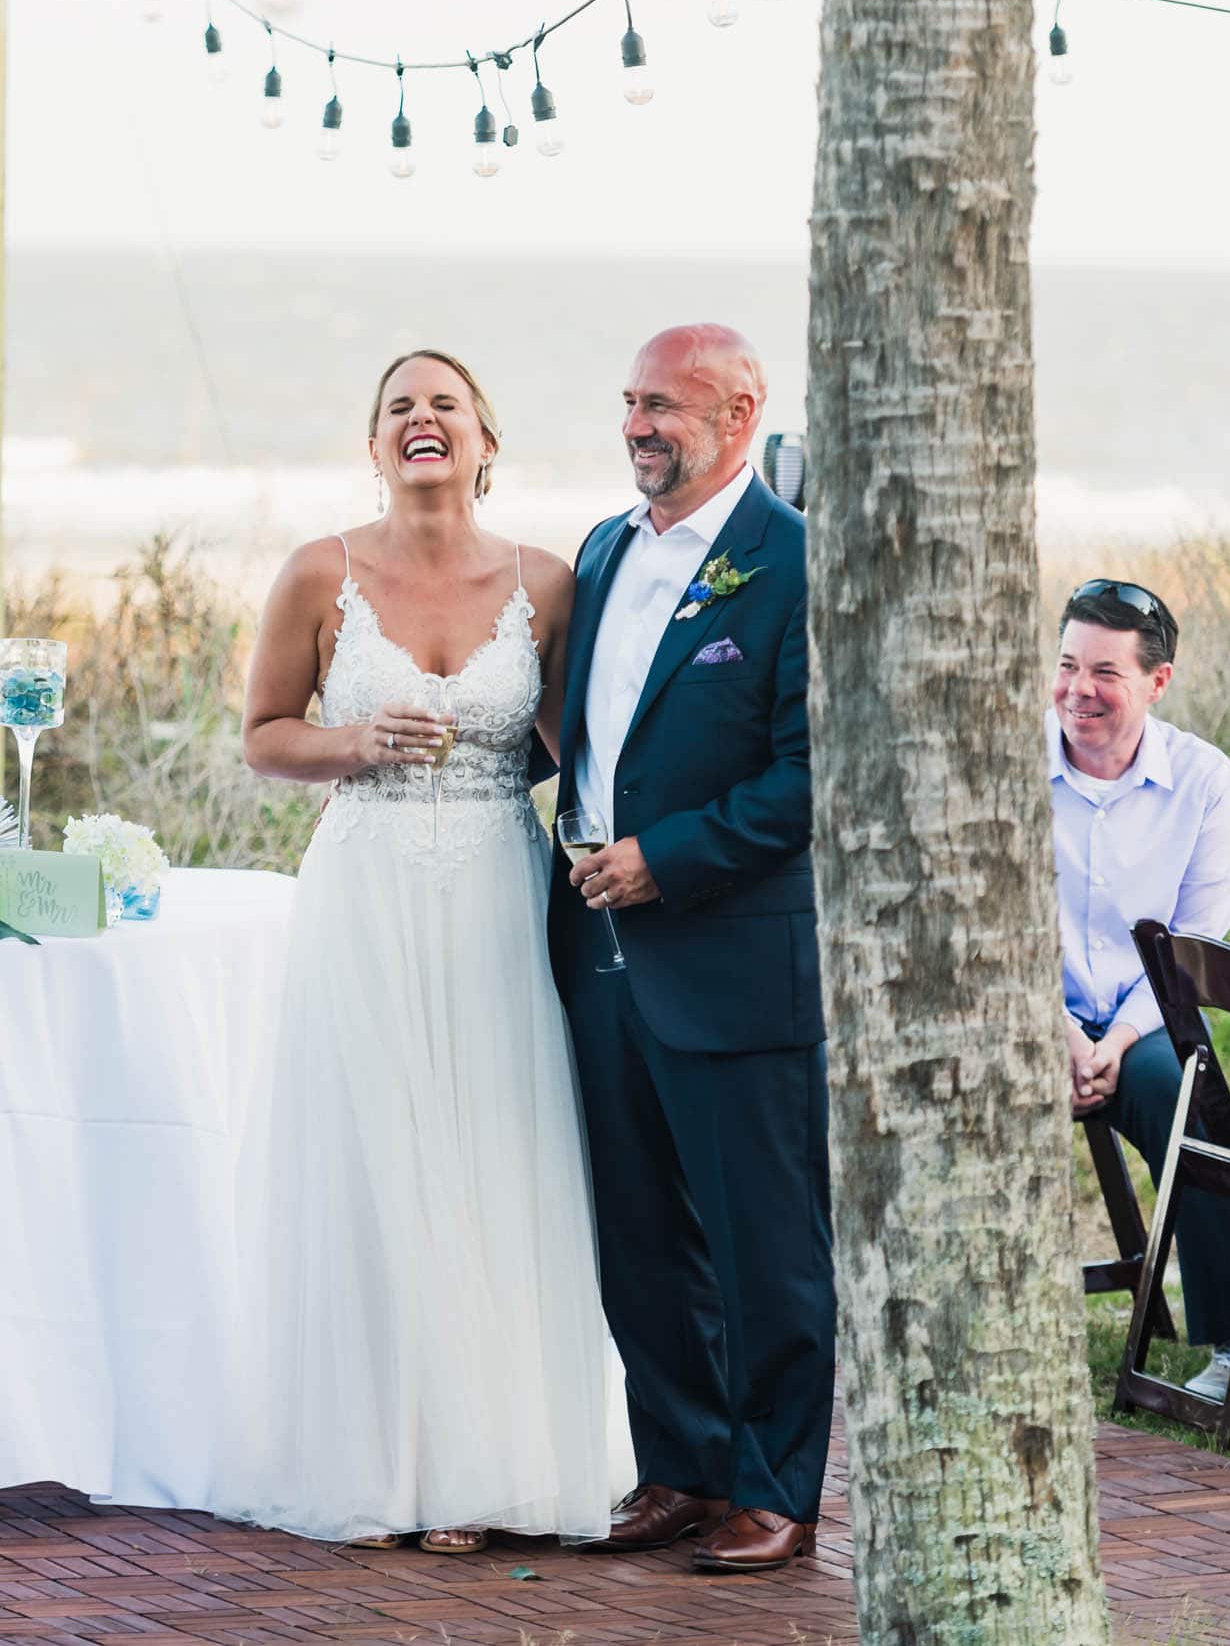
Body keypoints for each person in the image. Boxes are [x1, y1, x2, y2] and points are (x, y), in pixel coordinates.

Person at [218, 349, 629, 1551]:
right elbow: (261, 737)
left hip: (502, 891)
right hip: (365, 888)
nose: (421, 420)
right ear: (375, 443)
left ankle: (488, 1464)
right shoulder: (318, 571)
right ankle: (382, 1459)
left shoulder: (547, 583)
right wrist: (351, 742)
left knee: (499, 1152)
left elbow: (585, 745)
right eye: (399, 406)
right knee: (377, 1155)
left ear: (486, 441)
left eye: (444, 403)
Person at [548, 324, 828, 1575]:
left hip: (729, 954)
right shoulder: (603, 550)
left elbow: (812, 775)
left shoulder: (796, 564)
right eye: (628, 404)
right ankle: (678, 1464)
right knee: (640, 1234)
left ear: (739, 409)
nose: (638, 427)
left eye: (662, 405)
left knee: (762, 1239)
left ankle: (774, 1486)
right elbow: (580, 730)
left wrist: (668, 855)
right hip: (597, 949)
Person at [1048, 579, 1230, 1395]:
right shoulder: (1005, 767)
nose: (1078, 690)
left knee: (1187, 1097)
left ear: (1157, 682)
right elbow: (986, 919)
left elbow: (1195, 944)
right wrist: (1057, 1028)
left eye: (1105, 672)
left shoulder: (1204, 780)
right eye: (1066, 665)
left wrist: (1119, 1040)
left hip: (1145, 1022)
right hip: (1026, 1018)